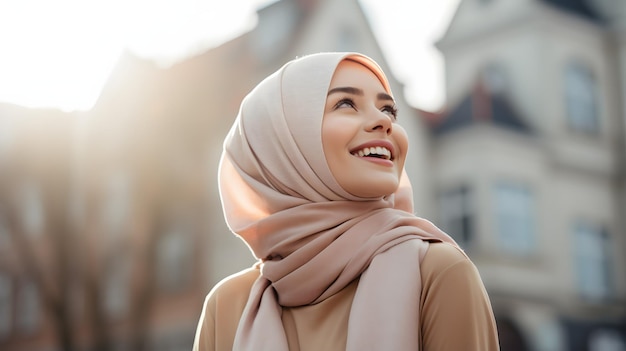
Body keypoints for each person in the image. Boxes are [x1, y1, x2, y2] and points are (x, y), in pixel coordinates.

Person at [192, 52, 499, 351]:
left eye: (389, 110)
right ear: (284, 143)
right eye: (346, 103)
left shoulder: (438, 274)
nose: (383, 121)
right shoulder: (227, 308)